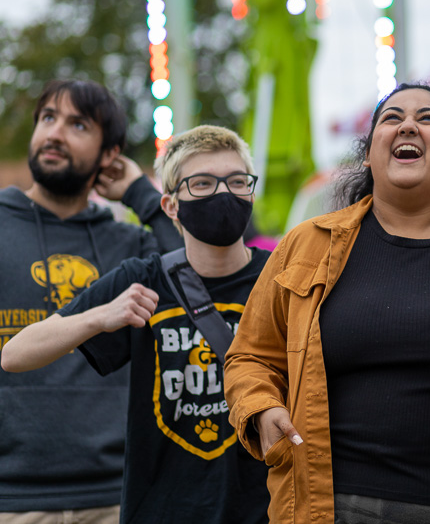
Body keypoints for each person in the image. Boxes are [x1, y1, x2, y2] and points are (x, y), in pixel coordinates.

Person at [223, 82, 430, 524]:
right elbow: (249, 356)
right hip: (328, 508)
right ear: (368, 154)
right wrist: (262, 409)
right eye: (392, 118)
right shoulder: (306, 244)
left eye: (428, 118)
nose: (408, 127)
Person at [1, 125, 271, 524]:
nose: (222, 193)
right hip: (162, 512)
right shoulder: (143, 278)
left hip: (263, 511)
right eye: (201, 183)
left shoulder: (282, 280)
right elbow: (14, 354)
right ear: (171, 205)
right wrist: (100, 316)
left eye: (236, 181)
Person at [0, 79, 182, 523]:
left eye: (77, 124)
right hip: (11, 499)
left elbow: (195, 272)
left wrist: (142, 193)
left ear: (109, 156)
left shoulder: (131, 245)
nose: (55, 133)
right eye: (48, 118)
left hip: (117, 494)